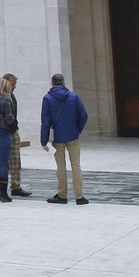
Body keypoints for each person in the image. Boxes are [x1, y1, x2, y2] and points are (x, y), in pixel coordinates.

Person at [41, 72, 90, 204]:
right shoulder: (73, 96)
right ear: (64, 83)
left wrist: (43, 140)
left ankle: (62, 195)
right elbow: (83, 115)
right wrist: (77, 129)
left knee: (60, 167)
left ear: (52, 84)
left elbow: (45, 122)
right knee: (76, 165)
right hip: (73, 135)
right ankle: (79, 196)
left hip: (57, 137)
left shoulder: (48, 98)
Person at [2, 73, 32, 197]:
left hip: (13, 131)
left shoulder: (11, 96)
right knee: (0, 161)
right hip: (3, 132)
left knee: (15, 160)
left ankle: (15, 186)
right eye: (12, 84)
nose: (14, 87)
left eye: (15, 84)